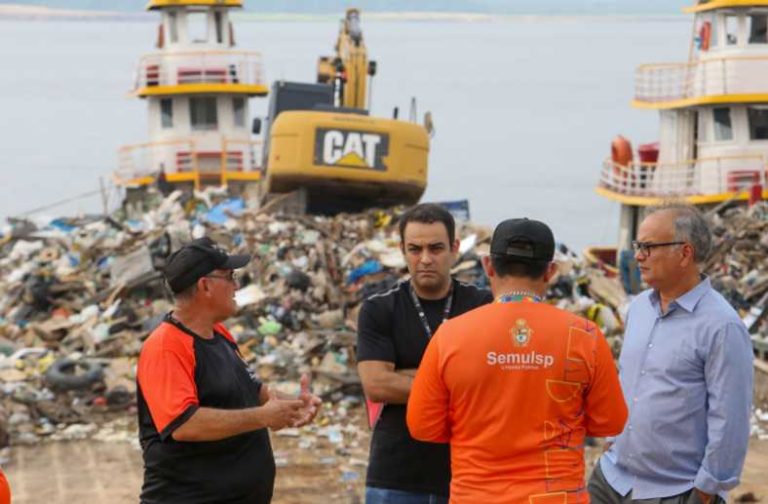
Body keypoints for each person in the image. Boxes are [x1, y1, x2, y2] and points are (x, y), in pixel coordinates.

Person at [407, 218, 628, 504]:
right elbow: (610, 421)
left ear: (489, 266)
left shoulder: (450, 335)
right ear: (550, 271)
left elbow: (423, 426)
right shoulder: (585, 335)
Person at [137, 237, 322, 504]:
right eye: (230, 276)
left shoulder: (219, 333)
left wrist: (292, 403)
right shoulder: (166, 346)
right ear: (205, 285)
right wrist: (263, 417)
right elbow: (184, 424)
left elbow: (251, 389)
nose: (236, 285)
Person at [589, 204, 753, 504]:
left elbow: (730, 420)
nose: (638, 256)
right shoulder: (638, 309)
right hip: (612, 479)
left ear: (685, 253)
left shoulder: (722, 327)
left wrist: (705, 491)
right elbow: (628, 382)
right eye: (638, 246)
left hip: (673, 491)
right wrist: (611, 442)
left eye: (648, 247)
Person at [356, 203, 493, 503]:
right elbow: (377, 385)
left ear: (455, 248)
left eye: (436, 248)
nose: (426, 259)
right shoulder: (380, 309)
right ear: (402, 250)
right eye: (415, 249)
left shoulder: (482, 305)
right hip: (396, 474)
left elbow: (493, 382)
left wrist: (406, 376)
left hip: (468, 474)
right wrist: (457, 383)